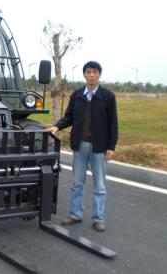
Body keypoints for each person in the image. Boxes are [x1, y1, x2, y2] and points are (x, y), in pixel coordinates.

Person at [47, 61, 118, 232]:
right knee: (77, 183)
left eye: (95, 72)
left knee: (99, 185)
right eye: (88, 72)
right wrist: (57, 125)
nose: (92, 75)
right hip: (80, 146)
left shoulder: (107, 96)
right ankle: (75, 214)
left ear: (99, 75)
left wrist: (111, 146)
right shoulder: (77, 95)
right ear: (84, 75)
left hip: (99, 148)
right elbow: (69, 117)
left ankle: (98, 218)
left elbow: (113, 123)